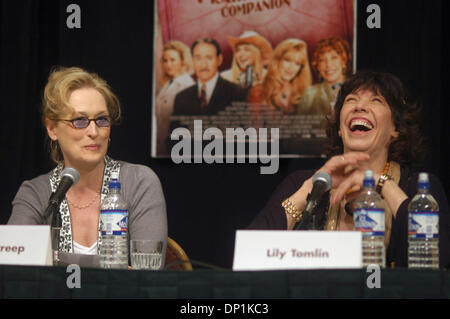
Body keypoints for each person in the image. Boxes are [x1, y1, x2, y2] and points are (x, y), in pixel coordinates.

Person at [248, 70, 450, 268]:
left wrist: (383, 184)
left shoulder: (418, 190)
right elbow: (250, 253)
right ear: (339, 127)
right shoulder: (301, 183)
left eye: (376, 100)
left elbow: (437, 260)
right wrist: (313, 186)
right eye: (351, 100)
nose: (359, 106)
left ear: (395, 128)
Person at [8, 67, 168, 259]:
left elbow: (147, 276)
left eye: (101, 120)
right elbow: (14, 270)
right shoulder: (35, 194)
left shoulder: (139, 182)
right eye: (80, 120)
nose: (94, 131)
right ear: (52, 129)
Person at [172, 38, 248, 116]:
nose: (203, 65)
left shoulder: (237, 94)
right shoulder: (181, 98)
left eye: (209, 58)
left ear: (219, 60)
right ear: (192, 61)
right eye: (198, 58)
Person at [248, 38, 312, 115]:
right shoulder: (259, 92)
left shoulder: (302, 93)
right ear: (277, 60)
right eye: (287, 60)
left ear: (301, 68)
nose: (291, 68)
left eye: (297, 63)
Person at [155, 40, 195, 155]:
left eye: (172, 60)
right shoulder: (168, 84)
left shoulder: (188, 86)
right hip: (162, 144)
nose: (168, 64)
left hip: (178, 148)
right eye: (165, 60)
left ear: (183, 61)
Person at [297, 36, 352, 116]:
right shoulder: (309, 94)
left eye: (334, 58)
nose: (328, 65)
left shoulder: (356, 89)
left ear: (344, 61)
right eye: (322, 60)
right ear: (317, 65)